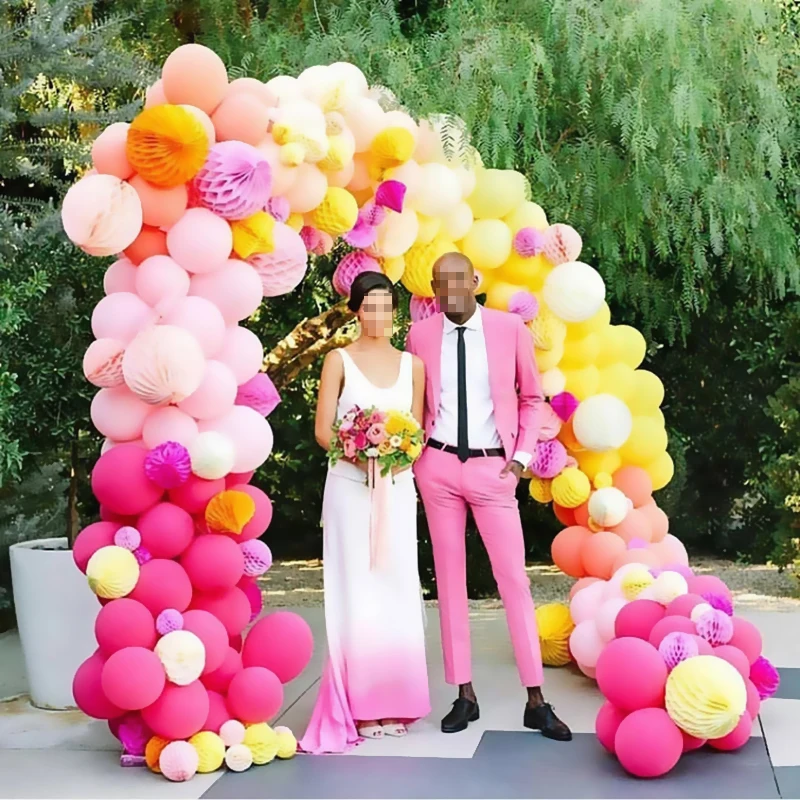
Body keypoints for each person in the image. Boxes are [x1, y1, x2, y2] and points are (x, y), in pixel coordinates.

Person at [406, 252, 572, 741]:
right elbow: (415, 402)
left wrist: (520, 459)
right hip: (437, 467)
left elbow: (531, 397)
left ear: (475, 280)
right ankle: (464, 694)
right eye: (441, 282)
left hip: (493, 467)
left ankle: (536, 700)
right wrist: (415, 460)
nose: (451, 289)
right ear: (434, 289)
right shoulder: (420, 335)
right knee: (449, 581)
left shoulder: (508, 329)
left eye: (458, 279)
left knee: (513, 580)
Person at [300, 271, 431, 754]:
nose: (378, 315)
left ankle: (395, 700)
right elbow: (323, 430)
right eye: (369, 306)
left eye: (386, 306)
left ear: (394, 311)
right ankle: (359, 704)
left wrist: (394, 455)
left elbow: (415, 432)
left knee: (396, 588)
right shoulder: (338, 360)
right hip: (350, 489)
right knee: (356, 589)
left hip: (396, 490)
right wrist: (361, 454)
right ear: (356, 310)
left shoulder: (413, 365)